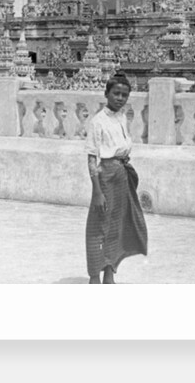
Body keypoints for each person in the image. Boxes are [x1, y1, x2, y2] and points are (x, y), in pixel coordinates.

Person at [85, 72, 148, 284]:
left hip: (121, 175)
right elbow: (93, 158)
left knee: (116, 225)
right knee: (98, 227)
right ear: (106, 94)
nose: (120, 98)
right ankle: (95, 276)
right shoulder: (97, 121)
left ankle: (110, 273)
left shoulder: (122, 117)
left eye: (124, 95)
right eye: (116, 94)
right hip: (105, 177)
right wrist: (97, 192)